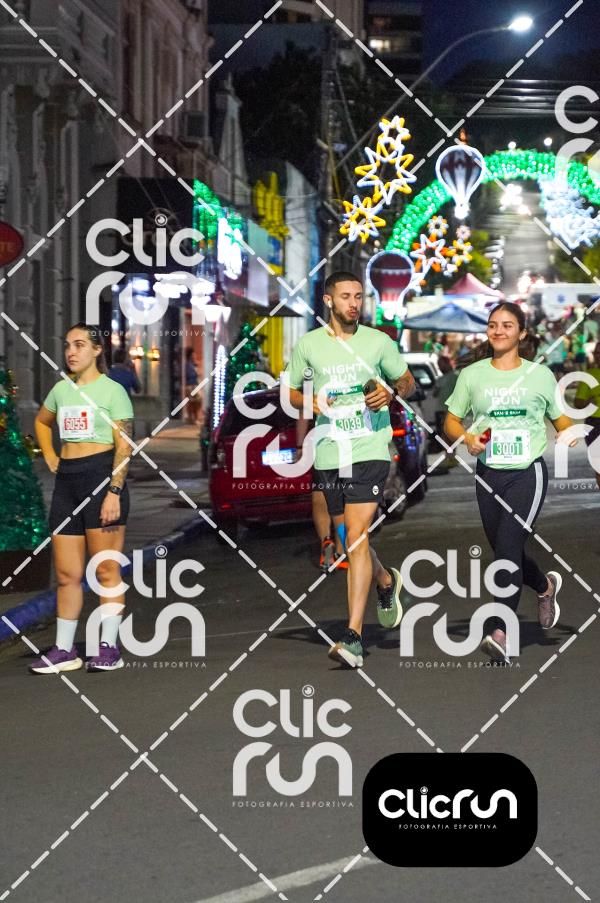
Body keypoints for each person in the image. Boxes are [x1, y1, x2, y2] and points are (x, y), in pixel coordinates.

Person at [285, 271, 415, 668]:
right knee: (347, 542)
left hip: (369, 449)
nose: (354, 303)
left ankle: (353, 636)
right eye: (345, 296)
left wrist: (391, 392)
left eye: (358, 296)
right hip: (330, 453)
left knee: (356, 537)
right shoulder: (309, 345)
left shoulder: (378, 342)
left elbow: (406, 381)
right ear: (328, 301)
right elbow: (290, 391)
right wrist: (310, 403)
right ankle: (385, 581)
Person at [444, 302, 575, 663]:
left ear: (522, 333)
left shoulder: (540, 375)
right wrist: (467, 437)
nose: (498, 331)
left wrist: (570, 434)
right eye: (493, 325)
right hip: (488, 474)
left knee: (506, 548)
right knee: (506, 551)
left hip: (527, 473)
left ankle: (500, 631)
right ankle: (545, 586)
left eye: (507, 325)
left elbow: (560, 419)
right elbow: (451, 421)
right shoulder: (472, 375)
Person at [30, 323, 134, 673]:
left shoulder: (113, 391)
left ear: (97, 350)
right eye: (67, 346)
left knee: (105, 569)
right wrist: (50, 456)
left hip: (101, 477)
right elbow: (42, 422)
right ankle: (64, 651)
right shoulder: (61, 390)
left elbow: (124, 445)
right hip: (67, 483)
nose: (71, 352)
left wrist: (114, 491)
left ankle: (109, 648)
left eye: (79, 345)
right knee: (66, 574)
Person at [574, 340, 600, 490]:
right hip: (594, 424)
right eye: (597, 353)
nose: (598, 356)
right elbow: (577, 403)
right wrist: (589, 401)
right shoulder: (589, 376)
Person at [432, 356, 458, 470]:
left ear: (448, 364)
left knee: (447, 435)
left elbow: (435, 393)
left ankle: (450, 457)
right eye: (439, 365)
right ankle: (450, 457)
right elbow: (435, 393)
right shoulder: (444, 378)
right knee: (446, 435)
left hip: (449, 410)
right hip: (443, 410)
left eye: (441, 364)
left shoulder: (454, 377)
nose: (440, 367)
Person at [184, 347, 202, 424]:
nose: (194, 356)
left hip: (195, 385)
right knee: (192, 402)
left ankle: (194, 418)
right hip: (190, 385)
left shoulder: (194, 365)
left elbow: (198, 374)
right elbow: (190, 374)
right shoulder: (187, 365)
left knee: (197, 401)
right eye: (193, 355)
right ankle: (192, 418)